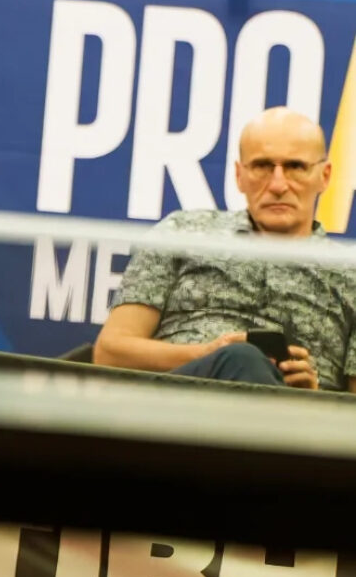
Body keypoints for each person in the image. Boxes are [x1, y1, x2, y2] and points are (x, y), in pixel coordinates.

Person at [94, 107, 356, 392]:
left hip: (295, 412)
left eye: (295, 167)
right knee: (242, 358)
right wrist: (209, 352)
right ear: (239, 175)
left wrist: (314, 397)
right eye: (262, 166)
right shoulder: (184, 231)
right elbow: (110, 352)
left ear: (324, 176)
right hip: (173, 401)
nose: (278, 185)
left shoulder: (348, 270)